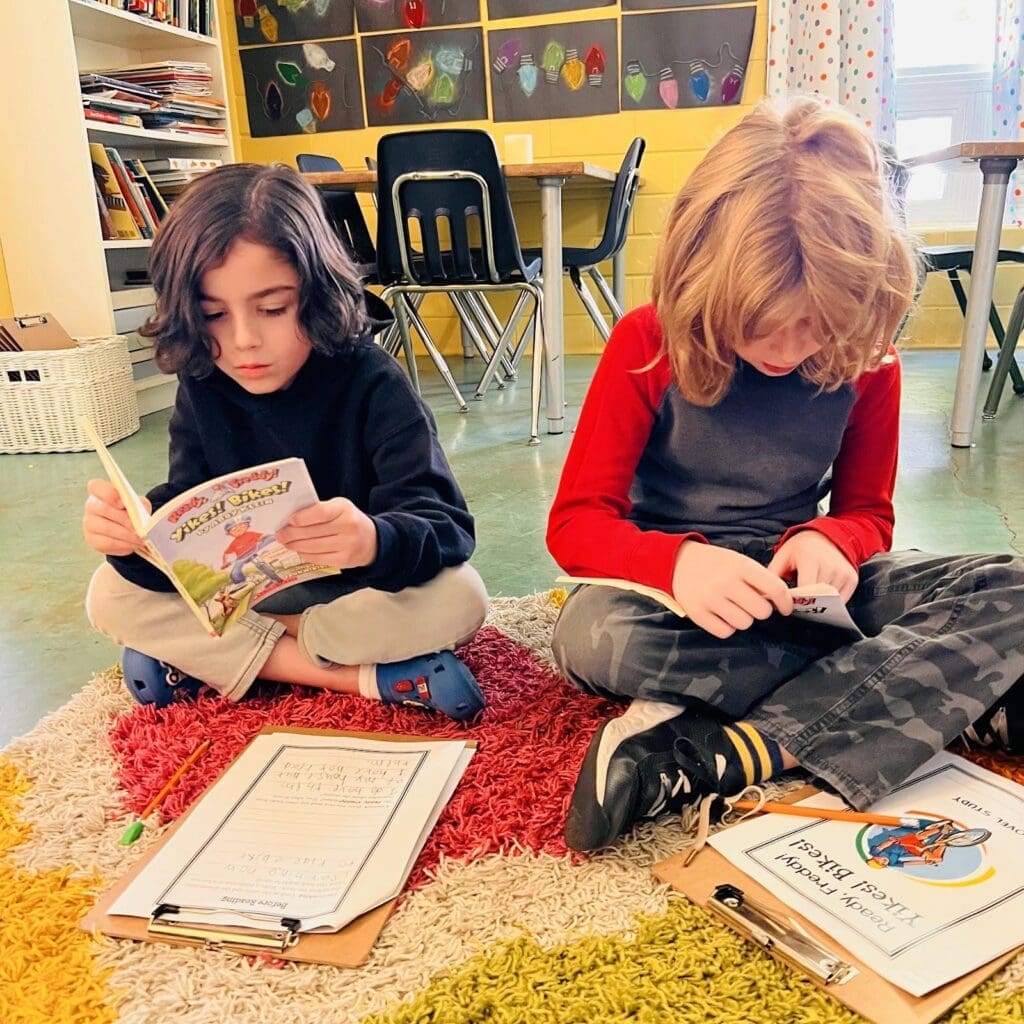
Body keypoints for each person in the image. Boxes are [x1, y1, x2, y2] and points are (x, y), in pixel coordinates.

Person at [546, 97, 1024, 852]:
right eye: (757, 322)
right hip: (669, 602)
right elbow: (576, 525)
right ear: (700, 277)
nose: (788, 349)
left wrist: (830, 538)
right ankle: (946, 695)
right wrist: (677, 563)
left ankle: (740, 750)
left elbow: (871, 515)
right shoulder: (648, 342)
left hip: (806, 597)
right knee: (591, 636)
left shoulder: (870, 360)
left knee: (1013, 588)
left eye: (818, 325)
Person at [83, 163, 489, 721]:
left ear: (317, 293)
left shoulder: (371, 379)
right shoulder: (205, 381)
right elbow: (192, 511)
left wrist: (372, 540)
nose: (244, 340)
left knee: (461, 598)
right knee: (108, 593)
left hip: (355, 596)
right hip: (253, 595)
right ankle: (367, 679)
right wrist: (137, 536)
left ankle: (222, 659)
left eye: (273, 308)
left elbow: (445, 526)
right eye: (212, 315)